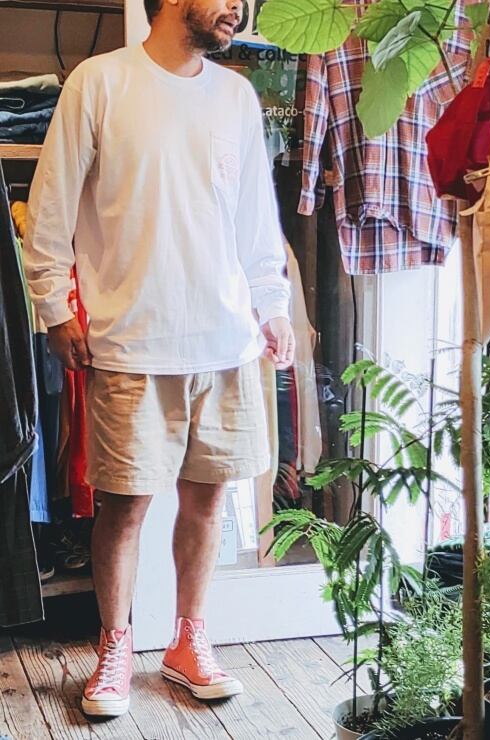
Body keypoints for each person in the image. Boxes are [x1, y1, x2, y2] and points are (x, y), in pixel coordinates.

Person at [24, 0, 294, 720]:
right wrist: (54, 306)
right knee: (126, 504)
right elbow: (50, 207)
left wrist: (271, 305)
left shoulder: (235, 96)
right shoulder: (99, 82)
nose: (237, 7)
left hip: (226, 340)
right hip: (131, 339)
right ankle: (116, 645)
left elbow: (254, 219)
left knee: (208, 499)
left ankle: (188, 641)